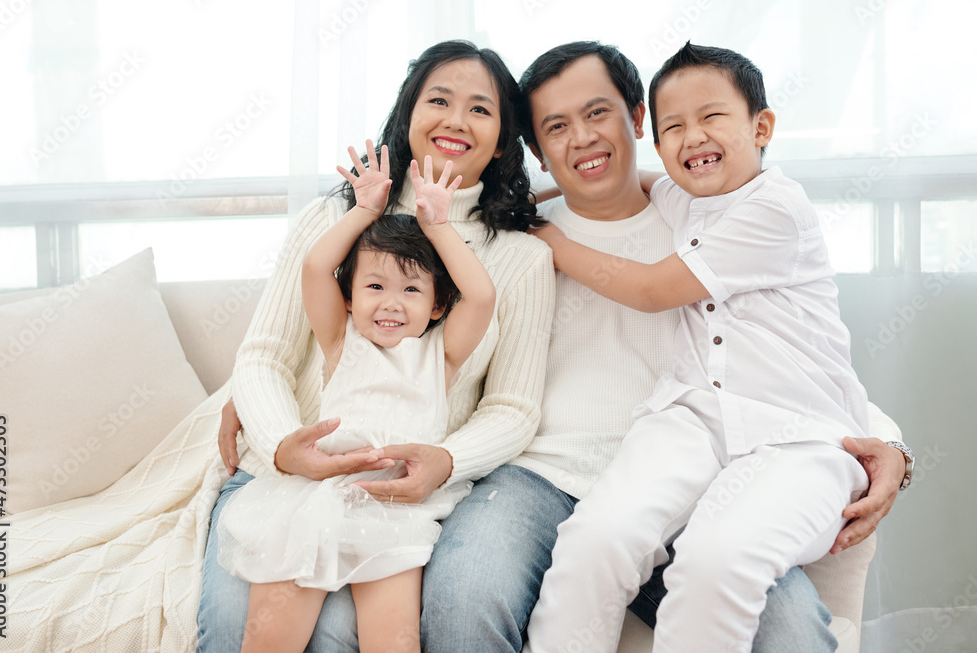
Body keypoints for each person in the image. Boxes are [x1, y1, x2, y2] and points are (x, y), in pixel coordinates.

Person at [217, 41, 911, 653]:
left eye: (598, 113)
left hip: (687, 480)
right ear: (537, 148)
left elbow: (794, 350)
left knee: (788, 632)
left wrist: (883, 447)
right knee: (463, 602)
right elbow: (312, 347)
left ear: (637, 120)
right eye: (555, 127)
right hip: (537, 479)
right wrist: (254, 411)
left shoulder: (701, 212)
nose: (581, 138)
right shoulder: (510, 232)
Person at [195, 40, 556, 652]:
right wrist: (286, 446)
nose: (455, 120)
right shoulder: (336, 219)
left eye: (480, 109)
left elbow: (512, 408)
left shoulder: (521, 259)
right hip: (286, 480)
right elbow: (265, 357)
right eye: (438, 100)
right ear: (408, 112)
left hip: (398, 495)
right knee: (242, 634)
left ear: (502, 140)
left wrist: (443, 461)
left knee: (354, 636)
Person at [524, 41, 880, 653]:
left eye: (711, 117)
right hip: (690, 417)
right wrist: (513, 202)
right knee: (595, 541)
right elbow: (629, 178)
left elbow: (649, 288)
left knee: (713, 562)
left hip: (796, 436)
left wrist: (543, 236)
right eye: (674, 127)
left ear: (761, 125)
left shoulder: (777, 208)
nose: (692, 137)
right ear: (657, 140)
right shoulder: (683, 196)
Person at [216, 144, 497, 651]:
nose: (391, 303)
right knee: (270, 638)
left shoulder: (441, 354)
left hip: (393, 508)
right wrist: (365, 210)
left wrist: (438, 226)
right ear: (350, 298)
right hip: (317, 498)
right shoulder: (341, 340)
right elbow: (316, 267)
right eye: (374, 285)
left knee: (394, 643)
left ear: (437, 306)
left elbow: (481, 296)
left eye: (412, 291)